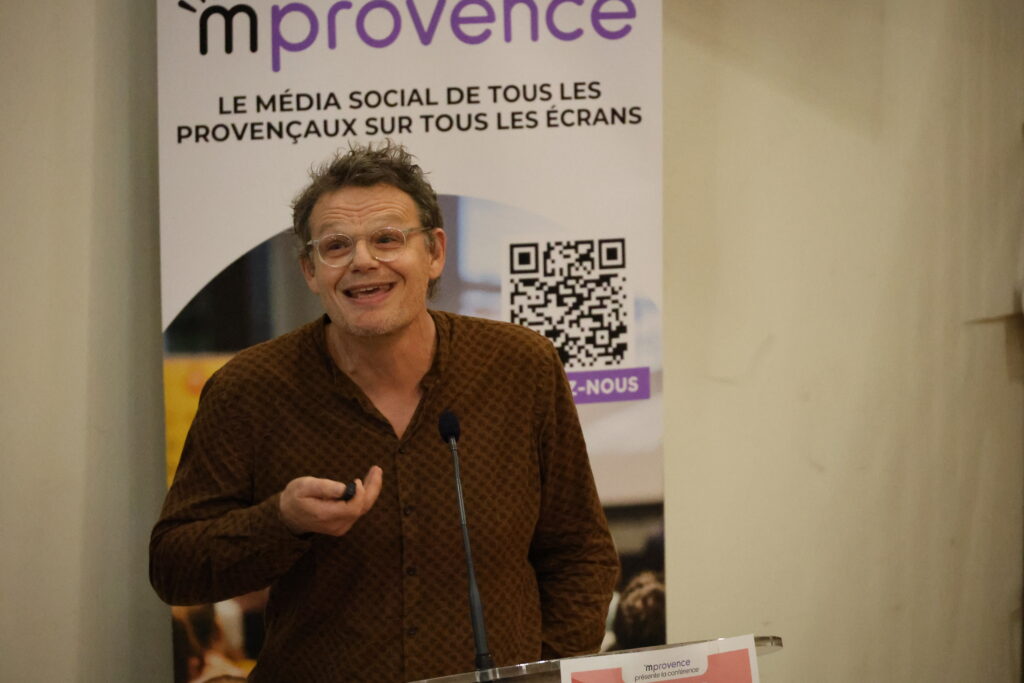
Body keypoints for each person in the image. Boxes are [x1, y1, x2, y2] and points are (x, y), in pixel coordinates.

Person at [150, 141, 619, 683]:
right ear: (309, 270)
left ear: (435, 252)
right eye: (336, 246)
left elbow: (581, 553)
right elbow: (174, 568)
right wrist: (282, 521)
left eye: (387, 239)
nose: (363, 261)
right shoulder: (249, 389)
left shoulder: (520, 366)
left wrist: (544, 672)